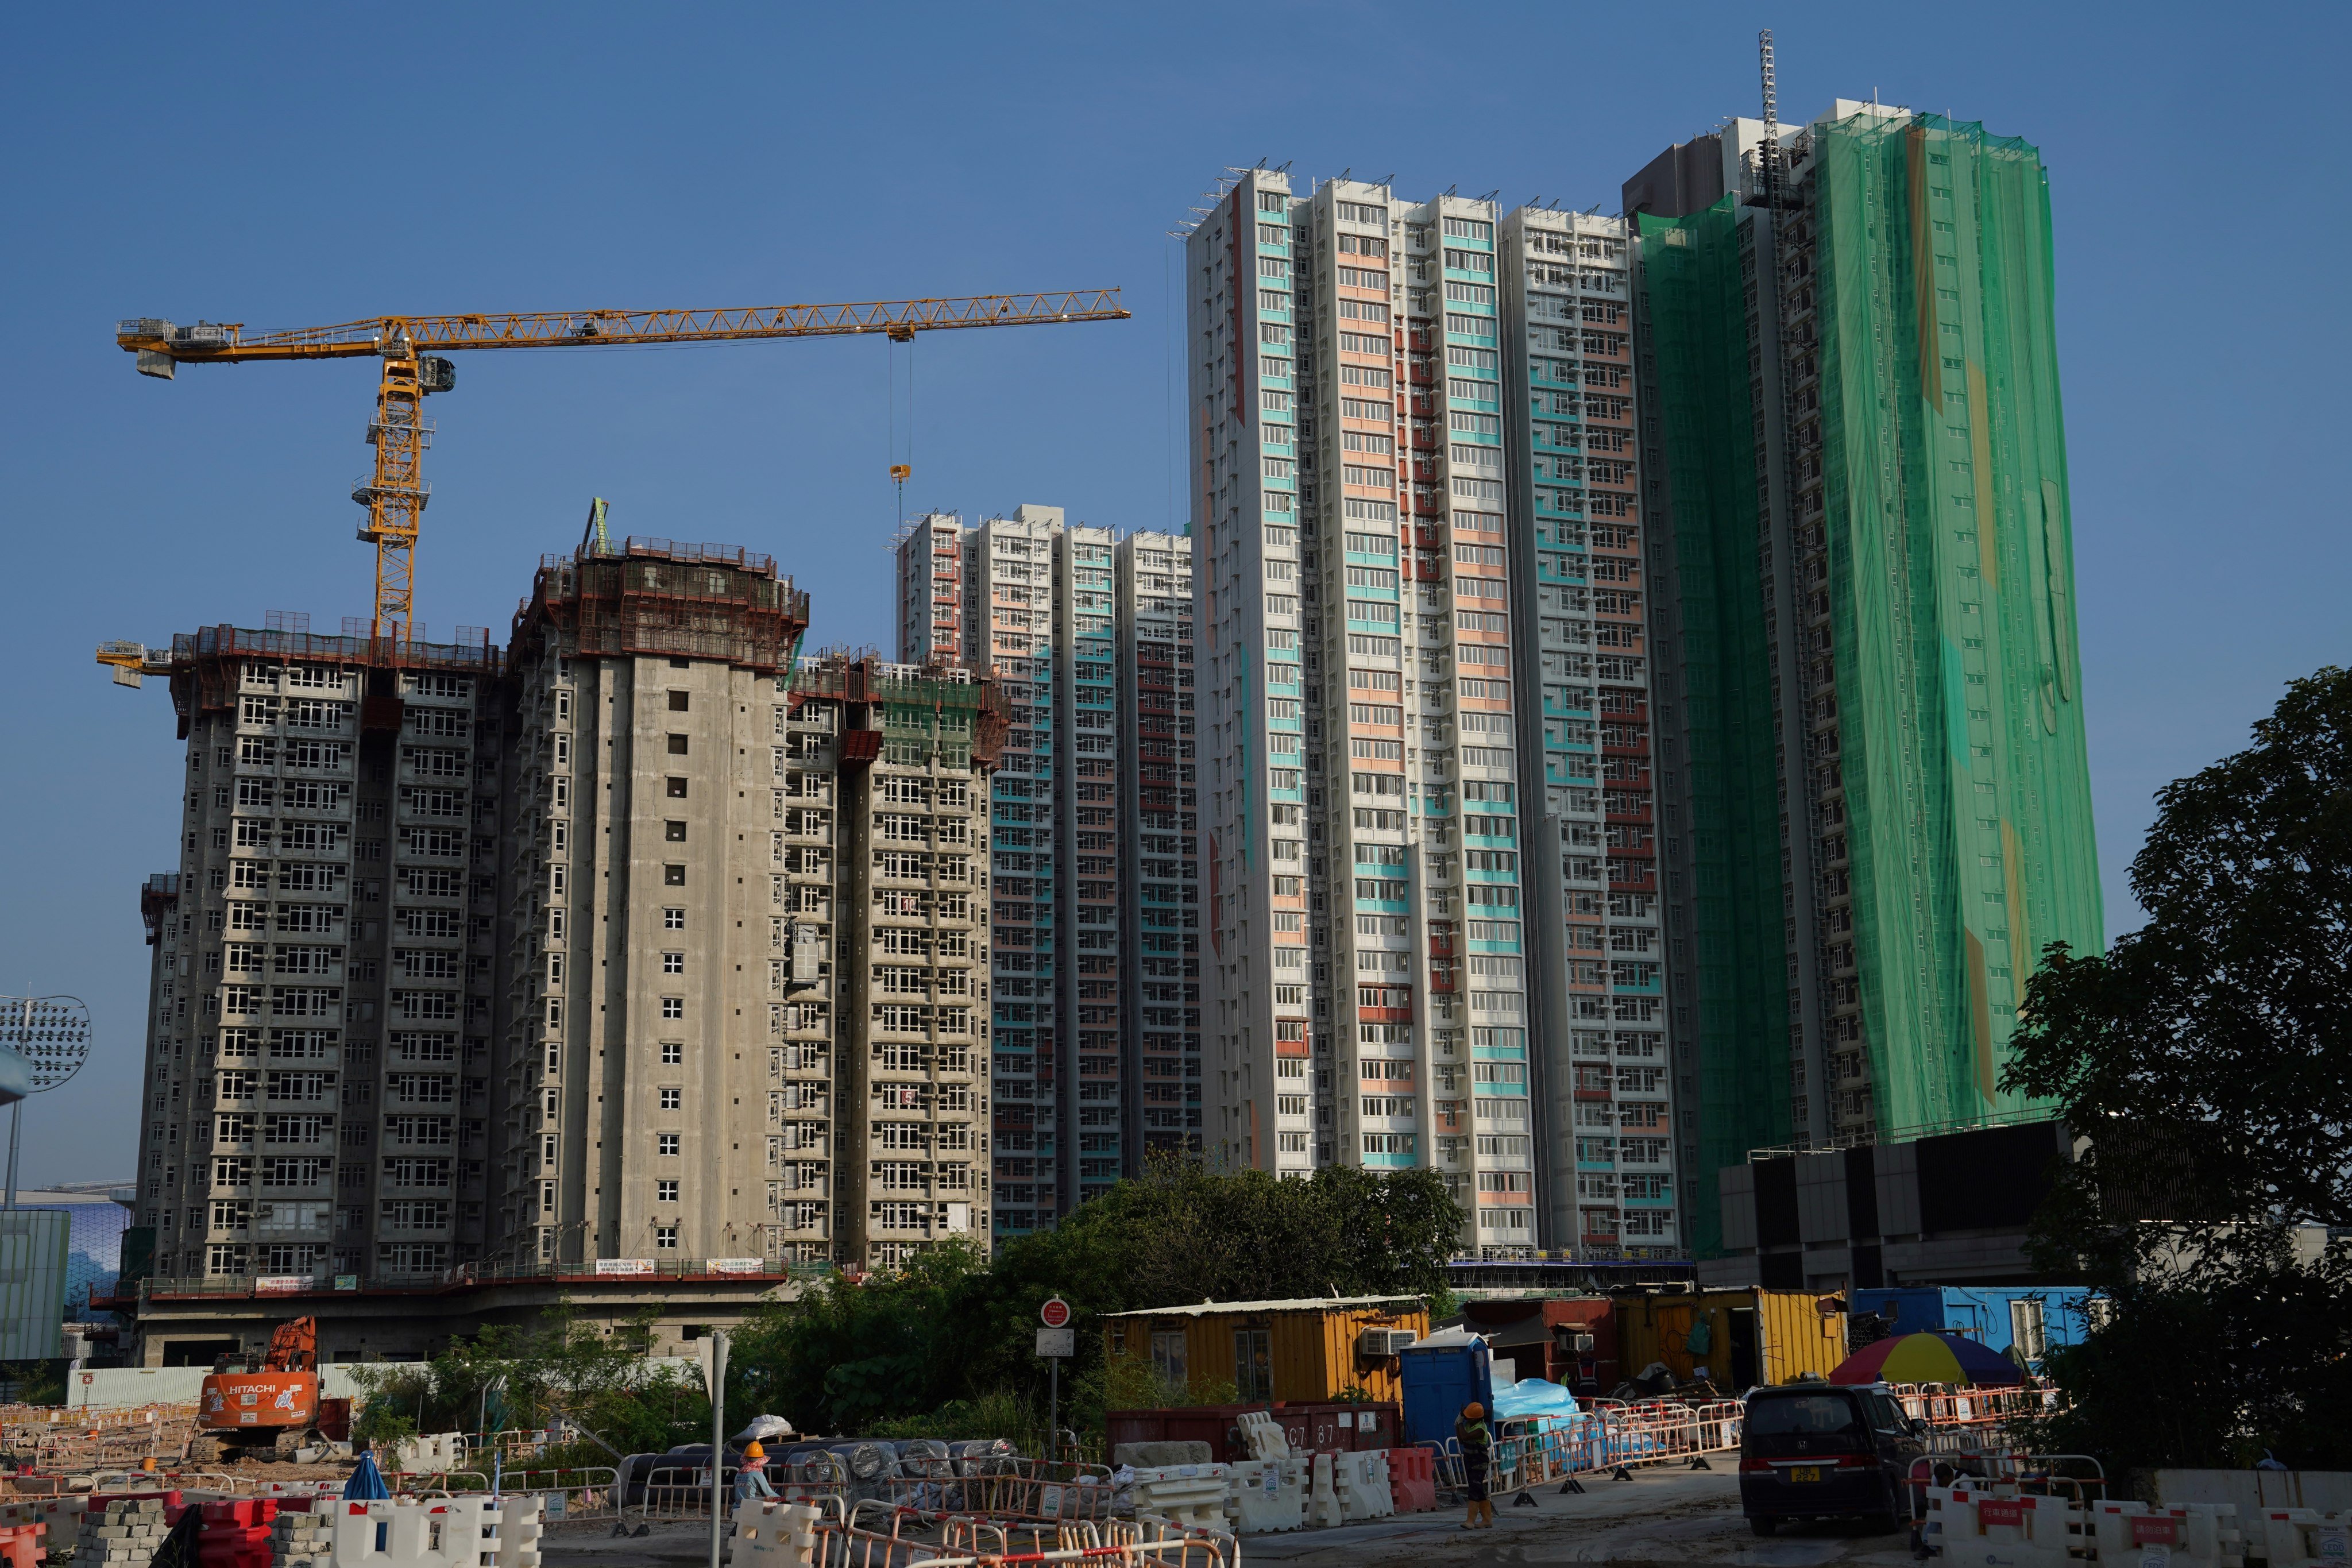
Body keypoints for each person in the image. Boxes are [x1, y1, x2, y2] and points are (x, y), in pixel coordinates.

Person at [1455, 1401, 1494, 1530]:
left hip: (1479, 1463)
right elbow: (1461, 1439)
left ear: (1476, 1418)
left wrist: (1460, 1423)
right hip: (1471, 1462)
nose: (1466, 1419)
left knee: (1474, 1489)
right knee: (1478, 1490)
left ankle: (1470, 1521)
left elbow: (1465, 1437)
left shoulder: (1480, 1429)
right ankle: (1487, 1520)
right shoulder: (1470, 1426)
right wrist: (1457, 1424)